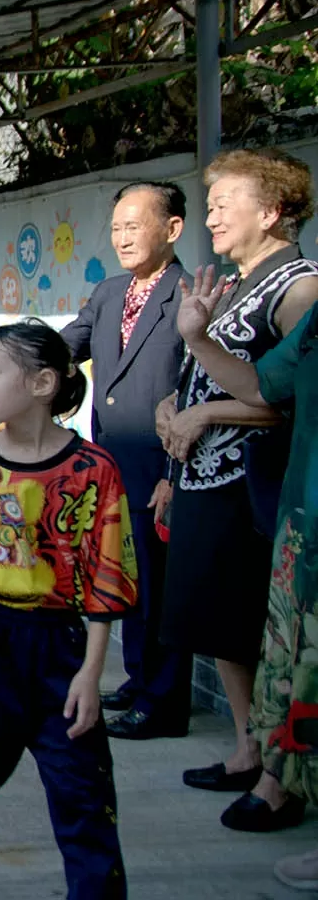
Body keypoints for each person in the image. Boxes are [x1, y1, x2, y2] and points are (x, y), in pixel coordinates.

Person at [0, 321, 137, 900]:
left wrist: (91, 673)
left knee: (82, 778)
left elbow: (107, 577)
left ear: (42, 383)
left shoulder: (94, 471)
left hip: (61, 643)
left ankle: (96, 889)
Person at [159, 148, 318, 797]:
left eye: (226, 203)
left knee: (259, 628)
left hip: (253, 483)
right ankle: (248, 746)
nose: (213, 216)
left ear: (272, 210)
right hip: (201, 477)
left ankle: (277, 774)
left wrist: (204, 412)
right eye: (211, 203)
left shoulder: (300, 286)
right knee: (220, 626)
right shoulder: (235, 281)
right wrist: (174, 405)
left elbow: (286, 396)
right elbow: (208, 371)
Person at [59, 180, 193, 741]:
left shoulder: (191, 295)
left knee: (160, 592)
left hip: (162, 469)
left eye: (133, 226)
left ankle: (165, 704)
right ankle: (140, 681)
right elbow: (66, 346)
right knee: (131, 584)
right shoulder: (110, 291)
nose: (122, 238)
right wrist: (9, 361)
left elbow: (195, 390)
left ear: (172, 228)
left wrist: (174, 475)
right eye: (116, 228)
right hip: (111, 467)